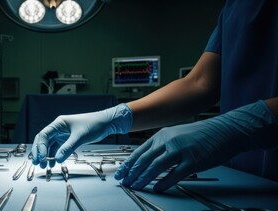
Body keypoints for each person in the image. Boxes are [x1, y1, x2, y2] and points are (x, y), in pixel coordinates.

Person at [31, 0, 278, 192]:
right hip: (244, 179)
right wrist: (113, 118)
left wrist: (240, 127)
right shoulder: (235, 5)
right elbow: (201, 83)